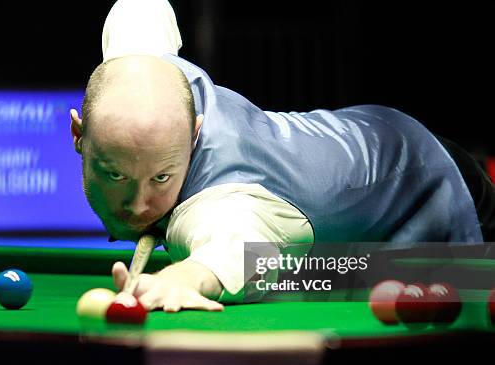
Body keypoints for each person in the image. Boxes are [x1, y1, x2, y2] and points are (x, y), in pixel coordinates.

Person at [69, 0, 495, 312]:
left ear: (195, 133)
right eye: (116, 175)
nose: (140, 205)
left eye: (161, 178)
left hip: (428, 180)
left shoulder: (219, 204)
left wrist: (183, 277)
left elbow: (232, 251)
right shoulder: (137, 69)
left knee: (472, 299)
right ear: (78, 136)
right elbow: (139, 13)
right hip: (363, 136)